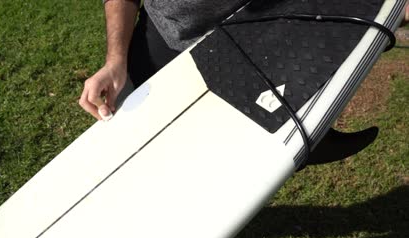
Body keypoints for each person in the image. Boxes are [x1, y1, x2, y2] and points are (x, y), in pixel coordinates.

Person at [80, 0, 408, 166]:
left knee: (269, 139)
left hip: (257, 33)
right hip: (167, 42)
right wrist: (115, 60)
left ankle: (311, 146)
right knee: (162, 151)